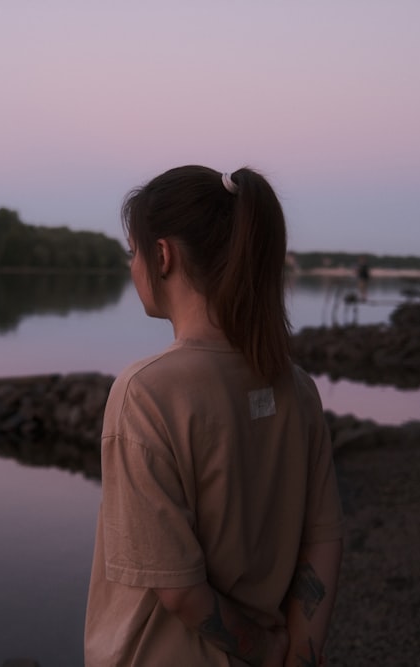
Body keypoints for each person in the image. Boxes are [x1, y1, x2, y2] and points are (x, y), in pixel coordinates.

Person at [84, 166, 343, 667]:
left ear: (163, 256)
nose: (133, 264)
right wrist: (300, 655)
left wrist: (267, 652)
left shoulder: (145, 392)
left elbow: (178, 588)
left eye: (133, 251)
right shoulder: (296, 387)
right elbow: (323, 537)